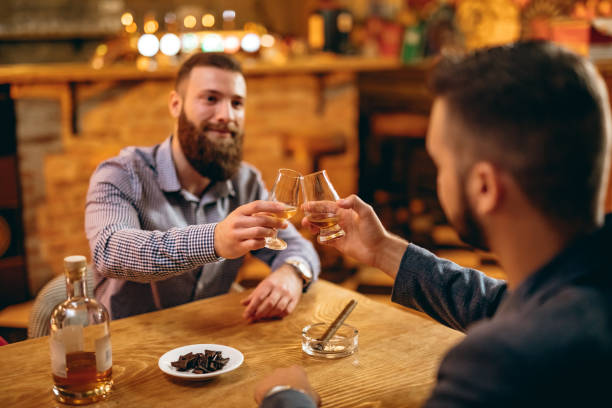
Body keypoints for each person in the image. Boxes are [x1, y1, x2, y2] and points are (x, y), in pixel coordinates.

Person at [254, 41, 612, 407]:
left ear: (484, 187)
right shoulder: (583, 289)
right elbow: (500, 304)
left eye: (439, 164)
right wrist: (383, 249)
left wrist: (288, 397)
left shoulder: (501, 365)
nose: (438, 179)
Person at [85, 52, 320, 321]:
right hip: (126, 344)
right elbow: (110, 251)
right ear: (176, 104)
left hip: (208, 341)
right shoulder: (121, 173)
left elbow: (298, 248)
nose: (226, 115)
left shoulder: (246, 182)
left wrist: (292, 273)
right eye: (211, 99)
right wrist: (214, 240)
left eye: (237, 103)